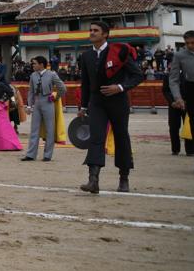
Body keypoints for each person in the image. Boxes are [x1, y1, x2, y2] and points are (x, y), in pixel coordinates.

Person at [77, 21, 144, 194]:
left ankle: (124, 178)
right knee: (96, 138)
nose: (91, 33)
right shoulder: (86, 56)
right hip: (97, 102)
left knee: (121, 137)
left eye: (95, 30)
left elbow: (138, 75)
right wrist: (83, 106)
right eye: (90, 30)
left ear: (105, 34)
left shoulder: (119, 52)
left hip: (118, 101)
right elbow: (86, 83)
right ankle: (93, 180)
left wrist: (120, 87)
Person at [169, 30, 194, 173]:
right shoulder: (179, 55)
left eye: (192, 43)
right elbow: (174, 79)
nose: (190, 46)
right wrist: (178, 98)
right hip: (192, 91)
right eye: (187, 43)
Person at [22, 56, 66, 162]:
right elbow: (31, 92)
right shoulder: (33, 75)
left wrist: (55, 96)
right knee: (34, 129)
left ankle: (47, 155)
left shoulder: (52, 74)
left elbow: (63, 88)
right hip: (37, 103)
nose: (33, 65)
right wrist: (29, 105)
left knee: (50, 129)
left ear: (41, 64)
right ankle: (31, 154)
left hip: (48, 102)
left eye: (35, 63)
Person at [162, 70, 193, 158]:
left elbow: (192, 89)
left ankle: (190, 150)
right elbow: (165, 90)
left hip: (187, 105)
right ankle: (175, 149)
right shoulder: (168, 75)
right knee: (173, 127)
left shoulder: (188, 73)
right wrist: (172, 102)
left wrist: (186, 102)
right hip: (173, 106)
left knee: (188, 126)